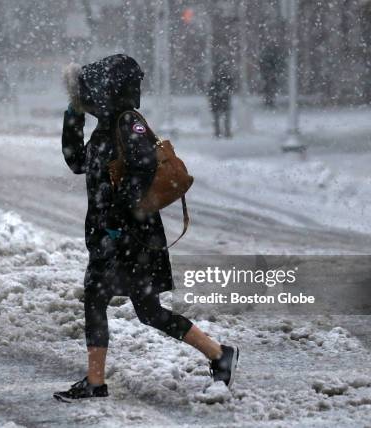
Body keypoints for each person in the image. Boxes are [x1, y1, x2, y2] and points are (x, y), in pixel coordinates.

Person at [55, 54, 239, 402]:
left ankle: (98, 382)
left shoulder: (128, 123)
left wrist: (116, 220)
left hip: (131, 238)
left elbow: (141, 169)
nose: (88, 100)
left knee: (115, 303)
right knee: (136, 308)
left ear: (109, 91)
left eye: (90, 95)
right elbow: (77, 162)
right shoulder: (106, 126)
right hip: (115, 236)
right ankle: (218, 354)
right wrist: (72, 118)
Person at [207, 64, 233, 138]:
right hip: (221, 101)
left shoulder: (215, 80)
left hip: (217, 102)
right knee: (223, 118)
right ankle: (224, 132)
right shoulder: (226, 80)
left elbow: (210, 91)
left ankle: (219, 133)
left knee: (218, 119)